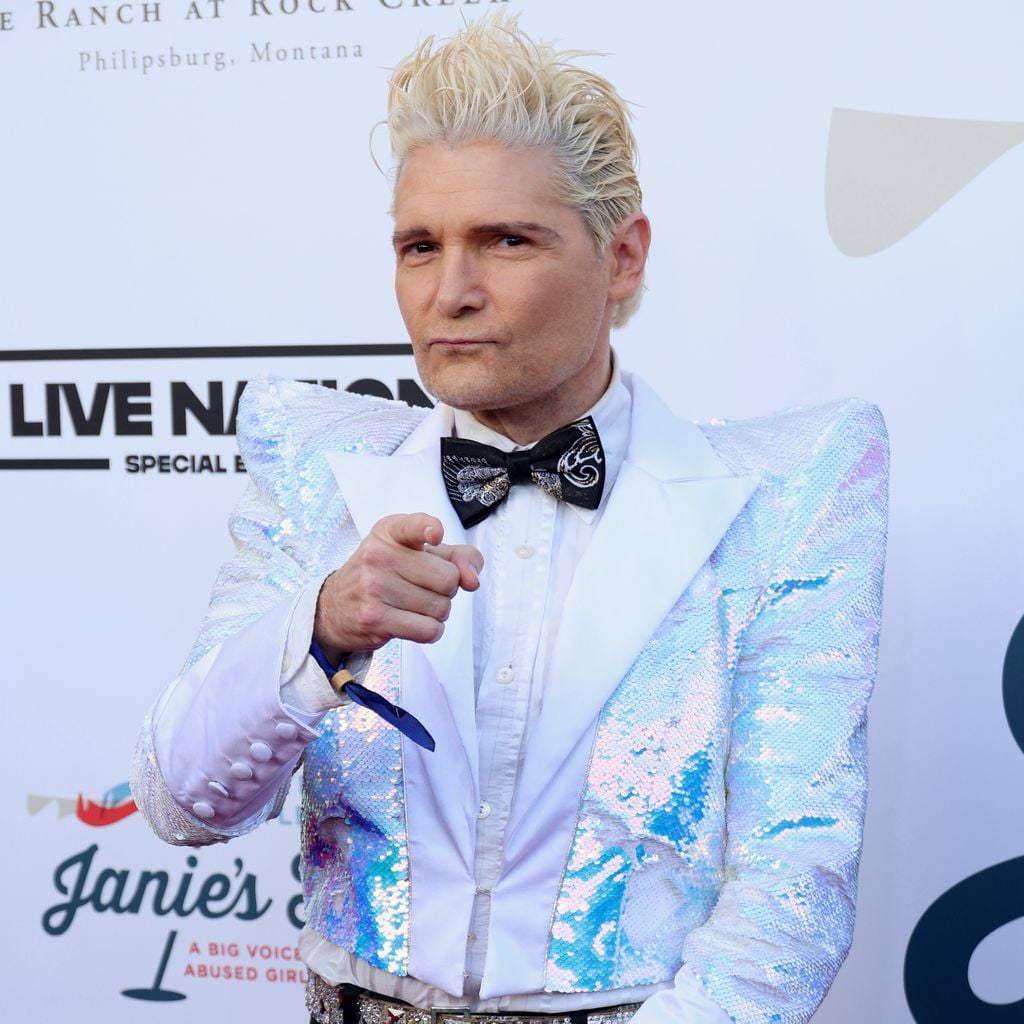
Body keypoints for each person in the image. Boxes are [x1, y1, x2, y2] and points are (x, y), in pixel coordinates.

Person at [132, 16, 889, 1024]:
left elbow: (794, 881)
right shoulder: (318, 468)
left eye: (505, 239)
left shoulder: (783, 496)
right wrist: (318, 628)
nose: (450, 292)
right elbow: (184, 803)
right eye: (419, 246)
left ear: (621, 257)